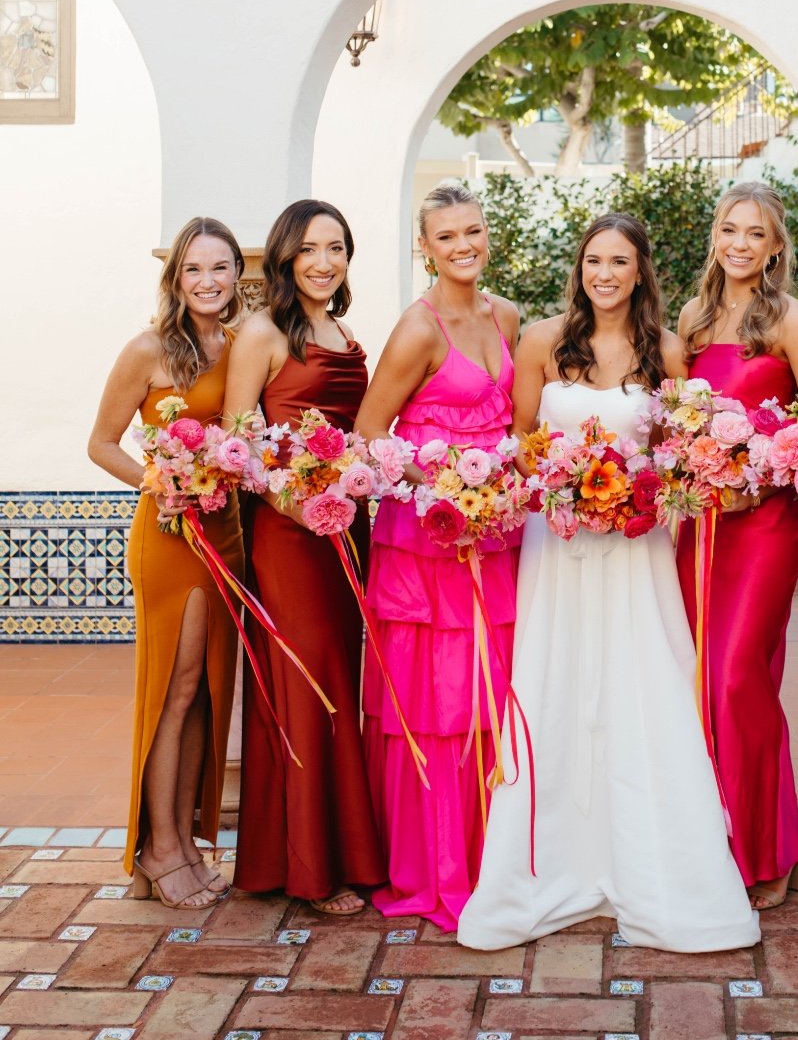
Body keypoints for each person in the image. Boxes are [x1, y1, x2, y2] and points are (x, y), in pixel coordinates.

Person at [458, 213, 758, 951]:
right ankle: (551, 866)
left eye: (620, 261)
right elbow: (521, 443)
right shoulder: (540, 341)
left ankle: (656, 868)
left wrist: (632, 490)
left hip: (636, 543)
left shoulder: (666, 351)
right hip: (557, 543)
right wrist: (563, 485)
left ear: (640, 270)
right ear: (580, 267)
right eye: (594, 260)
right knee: (554, 681)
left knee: (641, 683)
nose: (605, 274)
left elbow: (678, 448)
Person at [358, 183, 521, 931]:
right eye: (447, 236)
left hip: (499, 537)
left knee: (496, 692)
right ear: (424, 246)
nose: (464, 246)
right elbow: (369, 433)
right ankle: (436, 869)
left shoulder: (506, 316)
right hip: (428, 543)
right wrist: (441, 488)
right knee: (437, 704)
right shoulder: (417, 330)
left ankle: (500, 857)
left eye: (474, 232)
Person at [676, 183, 798, 910]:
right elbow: (676, 423)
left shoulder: (792, 319)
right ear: (717, 236)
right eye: (729, 229)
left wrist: (762, 472)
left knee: (740, 676)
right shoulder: (693, 319)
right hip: (702, 525)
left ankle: (773, 849)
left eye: (756, 233)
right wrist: (694, 466)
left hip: (766, 524)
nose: (740, 243)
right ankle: (713, 838)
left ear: (775, 247)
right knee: (701, 679)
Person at [224, 199, 383, 916]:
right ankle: (310, 869)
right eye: (311, 249)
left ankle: (336, 850)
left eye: (337, 248)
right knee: (303, 682)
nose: (325, 261)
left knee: (337, 682)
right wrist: (296, 502)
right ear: (286, 256)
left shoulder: (345, 330)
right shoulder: (262, 332)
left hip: (347, 529)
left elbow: (357, 431)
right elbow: (238, 442)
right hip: (288, 535)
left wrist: (352, 488)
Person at [89, 216, 245, 910]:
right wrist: (164, 483)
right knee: (176, 692)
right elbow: (102, 443)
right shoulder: (150, 348)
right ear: (175, 278)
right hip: (171, 536)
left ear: (238, 273)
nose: (208, 282)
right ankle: (158, 849)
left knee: (209, 695)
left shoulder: (242, 347)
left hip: (229, 538)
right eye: (194, 270)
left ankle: (183, 841)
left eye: (220, 268)